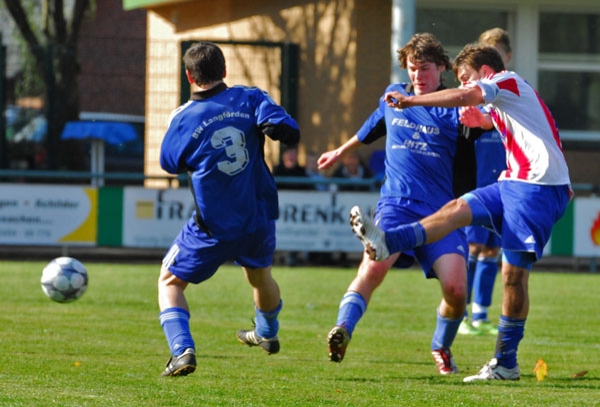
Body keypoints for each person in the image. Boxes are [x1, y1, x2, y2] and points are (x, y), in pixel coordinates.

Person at [352, 43, 571, 382]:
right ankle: (387, 242)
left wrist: (411, 100)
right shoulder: (502, 100)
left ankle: (505, 363)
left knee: (513, 276)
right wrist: (484, 122)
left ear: (484, 72)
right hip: (513, 182)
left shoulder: (506, 80)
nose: (464, 85)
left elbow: (461, 98)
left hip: (539, 189)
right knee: (456, 208)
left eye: (465, 78)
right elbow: (512, 124)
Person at [318, 33, 481, 375]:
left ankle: (441, 345)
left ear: (441, 69)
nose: (417, 76)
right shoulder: (394, 96)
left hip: (441, 216)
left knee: (456, 290)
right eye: (412, 68)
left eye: (424, 69)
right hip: (397, 206)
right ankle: (342, 330)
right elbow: (370, 128)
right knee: (373, 267)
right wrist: (340, 152)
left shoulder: (456, 111)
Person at [157, 42, 300, 376]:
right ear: (224, 70)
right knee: (260, 275)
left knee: (169, 282)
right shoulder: (250, 98)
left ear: (190, 76)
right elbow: (288, 130)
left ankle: (182, 351)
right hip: (258, 216)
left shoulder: (182, 117)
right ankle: (267, 331)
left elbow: (169, 164)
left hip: (215, 225)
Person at [458, 28, 512, 337]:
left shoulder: (511, 94)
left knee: (492, 252)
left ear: (507, 58)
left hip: (503, 182)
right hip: (478, 184)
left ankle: (480, 314)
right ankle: (460, 312)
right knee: (473, 247)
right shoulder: (476, 99)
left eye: (499, 55)